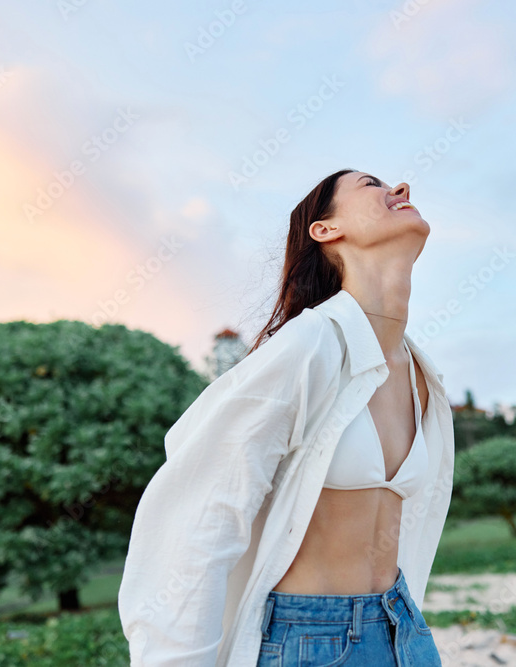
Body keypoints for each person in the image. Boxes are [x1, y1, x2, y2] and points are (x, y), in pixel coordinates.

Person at [117, 169, 455, 666]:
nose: (400, 189)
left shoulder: (421, 372)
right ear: (325, 230)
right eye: (370, 185)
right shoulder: (307, 346)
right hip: (310, 641)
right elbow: (198, 520)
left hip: (404, 627)